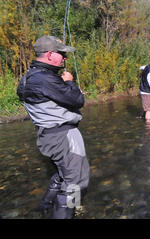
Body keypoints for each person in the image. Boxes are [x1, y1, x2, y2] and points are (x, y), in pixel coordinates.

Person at [16, 35, 89, 219]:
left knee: (61, 174)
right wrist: (69, 82)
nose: (65, 58)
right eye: (62, 54)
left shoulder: (27, 78)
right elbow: (78, 100)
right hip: (64, 136)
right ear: (49, 54)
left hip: (46, 137)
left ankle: (45, 206)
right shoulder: (47, 80)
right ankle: (66, 213)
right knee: (75, 182)